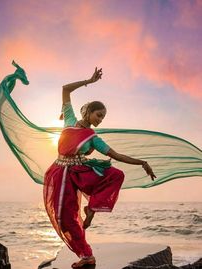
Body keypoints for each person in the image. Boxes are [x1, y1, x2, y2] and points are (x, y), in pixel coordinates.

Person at [43, 67, 156, 268]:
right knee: (64, 218)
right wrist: (89, 81)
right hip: (59, 173)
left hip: (80, 174)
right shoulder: (69, 120)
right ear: (88, 111)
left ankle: (92, 208)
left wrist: (142, 163)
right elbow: (66, 89)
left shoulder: (94, 139)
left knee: (116, 175)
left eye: (103, 117)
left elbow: (116, 155)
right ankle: (86, 255)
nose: (100, 119)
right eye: (99, 114)